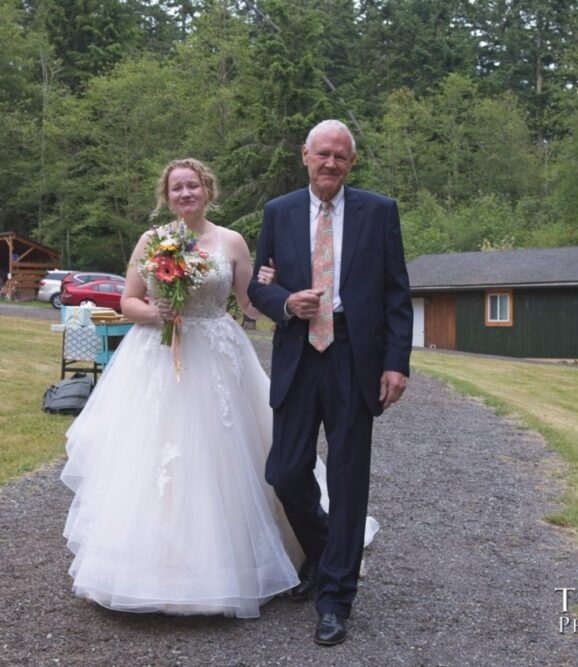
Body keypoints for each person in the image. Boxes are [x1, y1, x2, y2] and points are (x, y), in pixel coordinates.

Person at [60, 158, 303, 618]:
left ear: (207, 191)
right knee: (150, 455)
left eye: (193, 186)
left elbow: (250, 304)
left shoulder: (231, 241)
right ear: (166, 195)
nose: (185, 193)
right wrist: (158, 315)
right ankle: (144, 570)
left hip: (215, 351)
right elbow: (128, 300)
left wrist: (281, 292)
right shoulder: (152, 240)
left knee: (222, 456)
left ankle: (232, 566)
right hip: (157, 353)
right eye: (177, 188)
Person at [247, 120, 414, 646]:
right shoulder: (279, 212)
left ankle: (336, 598)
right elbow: (258, 284)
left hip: (352, 356)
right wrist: (284, 304)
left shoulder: (379, 212)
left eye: (341, 157)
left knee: (347, 478)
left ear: (351, 163)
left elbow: (396, 293)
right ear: (305, 155)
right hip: (299, 353)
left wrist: (396, 363)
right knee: (285, 470)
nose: (331, 164)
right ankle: (325, 551)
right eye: (323, 154)